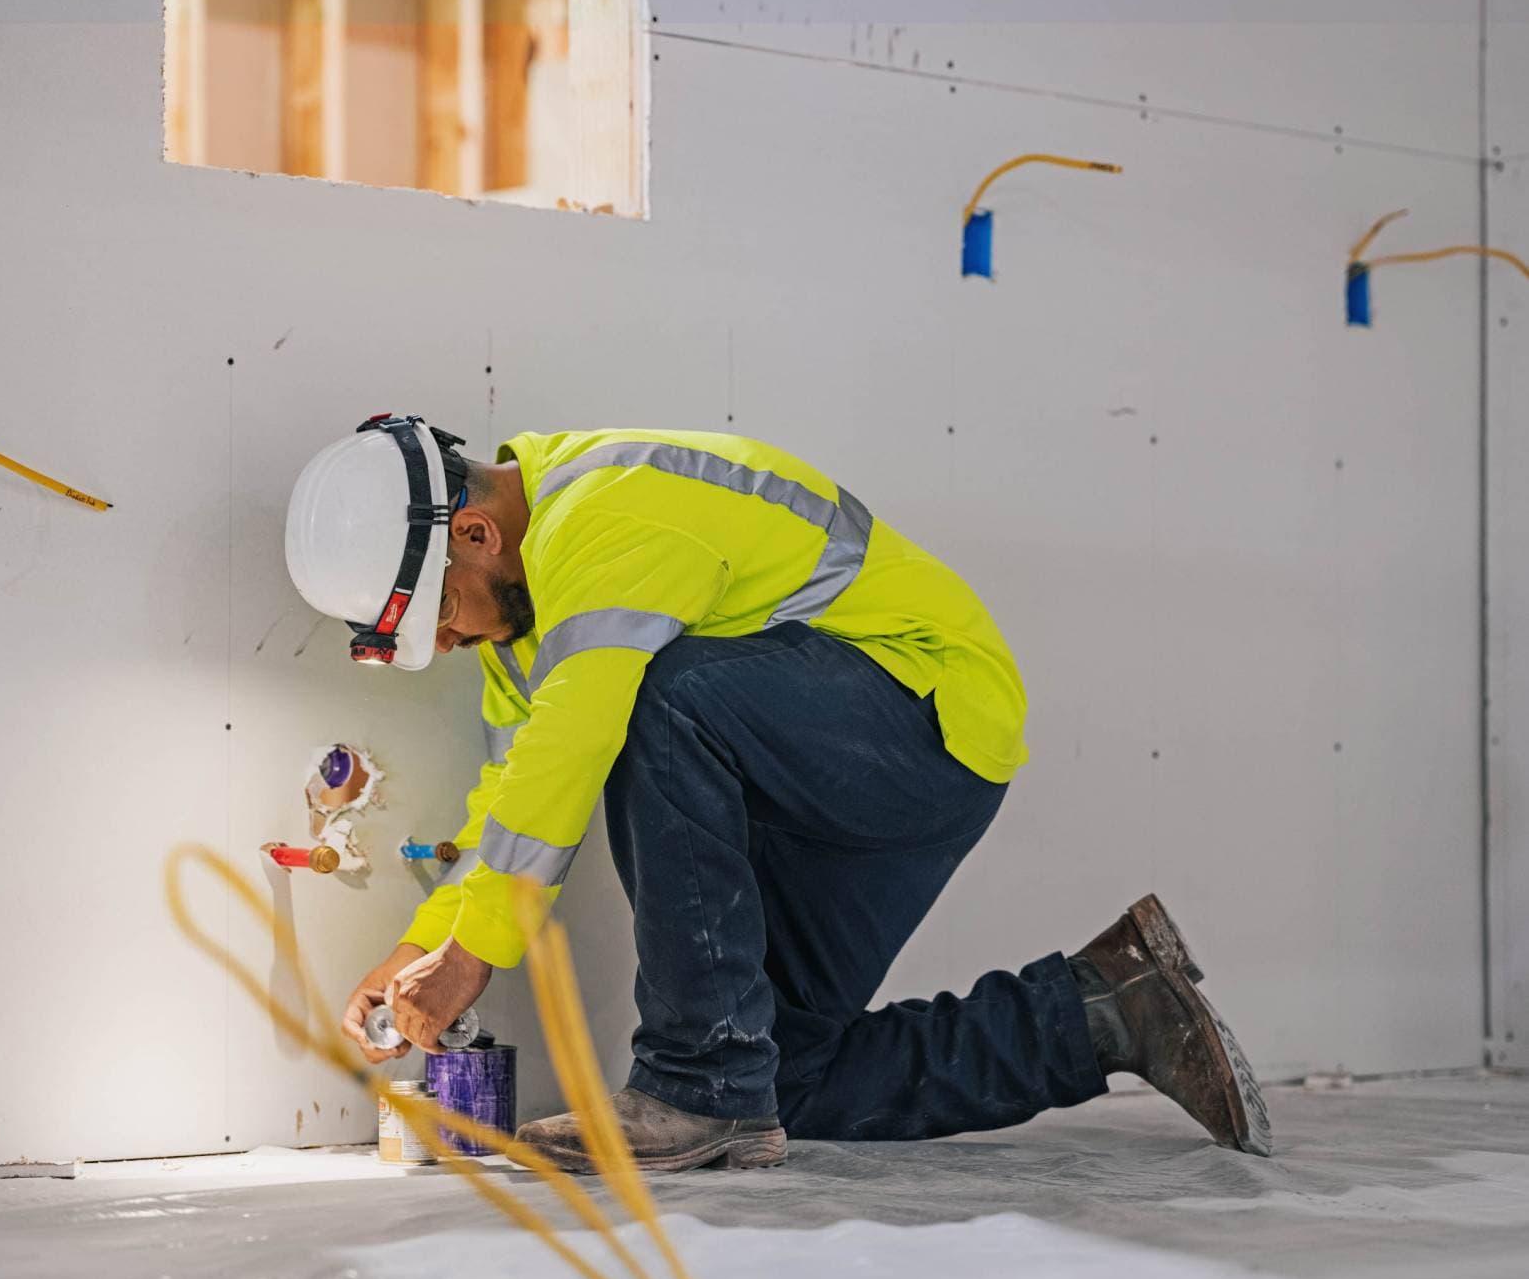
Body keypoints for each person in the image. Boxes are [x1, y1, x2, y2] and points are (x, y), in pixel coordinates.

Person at [284, 415, 1272, 1172]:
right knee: (788, 1075)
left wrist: (475, 954)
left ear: (475, 532)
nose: (449, 644)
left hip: (919, 719)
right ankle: (1101, 1009)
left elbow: (580, 739)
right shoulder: (530, 625)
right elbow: (512, 794)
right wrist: (423, 946)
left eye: (442, 614)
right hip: (827, 785)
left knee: (659, 699)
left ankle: (694, 1084)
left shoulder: (609, 511)